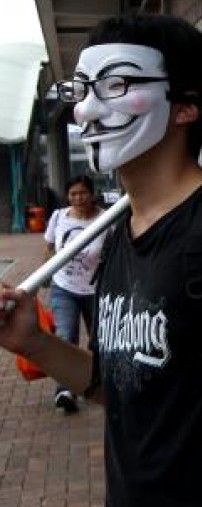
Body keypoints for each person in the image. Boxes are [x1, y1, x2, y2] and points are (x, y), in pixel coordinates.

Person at [0, 15, 202, 507]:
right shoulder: (118, 233)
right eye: (83, 88)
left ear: (185, 107)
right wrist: (35, 342)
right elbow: (125, 388)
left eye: (116, 84)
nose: (87, 109)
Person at [43, 175, 105, 413]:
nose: (78, 198)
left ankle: (99, 383)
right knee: (65, 335)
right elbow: (49, 247)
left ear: (92, 194)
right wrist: (45, 276)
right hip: (63, 287)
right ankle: (65, 390)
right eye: (73, 194)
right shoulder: (59, 217)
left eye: (82, 193)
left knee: (99, 339)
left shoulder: (106, 219)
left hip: (96, 289)